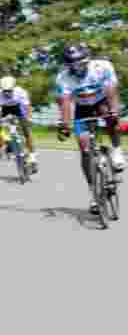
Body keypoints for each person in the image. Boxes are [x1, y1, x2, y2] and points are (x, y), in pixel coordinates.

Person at [56, 45, 124, 213]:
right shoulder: (63, 77)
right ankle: (94, 194)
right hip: (82, 108)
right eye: (73, 64)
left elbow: (111, 90)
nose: (78, 66)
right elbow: (65, 101)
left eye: (81, 62)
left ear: (88, 60)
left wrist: (114, 110)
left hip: (101, 101)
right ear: (68, 65)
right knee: (84, 148)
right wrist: (65, 124)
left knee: (109, 115)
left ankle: (116, 150)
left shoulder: (102, 67)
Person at [0, 75, 38, 171]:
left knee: (27, 132)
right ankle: (9, 144)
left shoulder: (20, 92)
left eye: (9, 90)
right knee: (0, 130)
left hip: (19, 109)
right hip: (4, 110)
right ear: (1, 89)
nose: (7, 93)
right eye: (4, 90)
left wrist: (29, 119)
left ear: (13, 88)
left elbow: (27, 107)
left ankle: (32, 158)